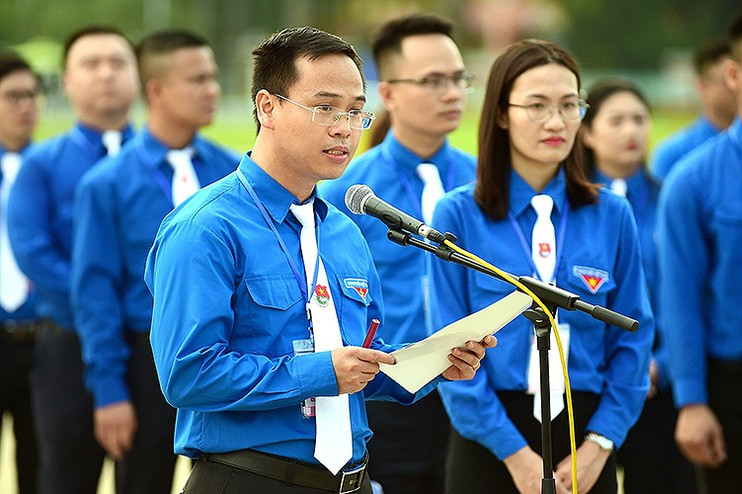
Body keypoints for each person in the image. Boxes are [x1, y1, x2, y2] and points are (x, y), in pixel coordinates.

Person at [143, 26, 495, 494]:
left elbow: (359, 360)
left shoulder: (345, 231)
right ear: (267, 107)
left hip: (353, 479)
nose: (343, 128)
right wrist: (322, 372)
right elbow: (187, 373)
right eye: (324, 108)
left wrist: (430, 367)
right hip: (249, 479)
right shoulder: (206, 227)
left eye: (354, 112)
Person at [429, 39, 655, 494]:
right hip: (491, 441)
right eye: (536, 105)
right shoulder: (457, 215)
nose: (556, 122)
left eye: (570, 105)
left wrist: (600, 442)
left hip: (585, 435)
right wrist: (515, 455)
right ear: (501, 113)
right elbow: (446, 347)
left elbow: (634, 337)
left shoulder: (612, 214)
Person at [69, 29, 240, 492]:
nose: (213, 90)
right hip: (143, 366)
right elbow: (95, 293)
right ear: (157, 90)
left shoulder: (234, 174)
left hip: (225, 356)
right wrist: (109, 392)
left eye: (214, 77)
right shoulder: (106, 183)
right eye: (198, 79)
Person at [320, 13, 476, 494]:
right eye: (432, 81)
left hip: (475, 387)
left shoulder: (487, 185)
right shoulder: (349, 191)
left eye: (458, 79)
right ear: (387, 94)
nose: (451, 93)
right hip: (388, 393)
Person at [658, 4, 742, 493]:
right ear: (733, 74)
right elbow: (681, 299)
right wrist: (691, 400)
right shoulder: (692, 180)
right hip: (735, 395)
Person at [7, 26, 139, 493]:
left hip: (150, 349)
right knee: (65, 477)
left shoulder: (166, 166)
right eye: (91, 63)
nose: (106, 74)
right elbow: (35, 255)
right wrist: (106, 306)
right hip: (69, 347)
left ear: (139, 76)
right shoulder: (40, 166)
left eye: (118, 62)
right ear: (67, 81)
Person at [580, 78, 697, 494]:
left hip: (659, 384)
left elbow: (690, 294)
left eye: (640, 119)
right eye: (617, 120)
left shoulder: (674, 200)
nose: (632, 131)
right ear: (588, 132)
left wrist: (660, 364)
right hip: (589, 382)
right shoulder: (569, 206)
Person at [0, 51, 41, 494]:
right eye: (12, 96)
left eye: (31, 94)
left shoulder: (53, 168)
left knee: (41, 468)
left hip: (43, 339)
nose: (25, 105)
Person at [650, 37, 736, 180]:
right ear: (702, 85)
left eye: (741, 78)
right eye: (728, 80)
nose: (736, 87)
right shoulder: (674, 154)